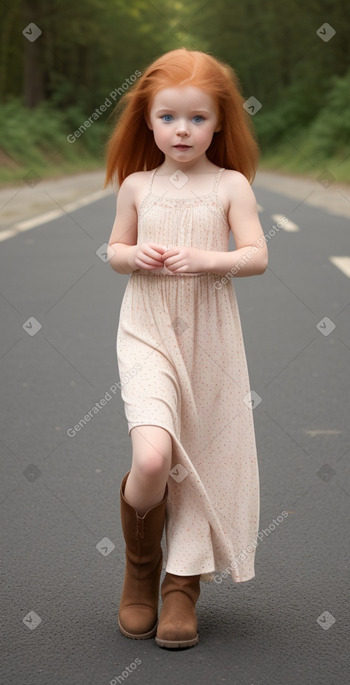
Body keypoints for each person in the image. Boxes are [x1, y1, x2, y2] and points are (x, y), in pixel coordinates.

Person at [104, 47, 268, 650]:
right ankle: (141, 570)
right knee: (152, 459)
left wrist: (209, 259)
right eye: (168, 117)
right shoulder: (137, 186)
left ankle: (182, 585)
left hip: (211, 336)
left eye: (198, 119)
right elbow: (115, 250)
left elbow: (256, 255)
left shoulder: (231, 185)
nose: (182, 130)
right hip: (147, 328)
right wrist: (131, 255)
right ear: (148, 121)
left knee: (200, 454)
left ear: (220, 122)